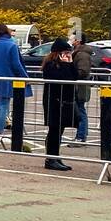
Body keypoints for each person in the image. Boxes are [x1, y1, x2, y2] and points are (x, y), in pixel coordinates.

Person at [0, 23, 30, 140]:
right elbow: (16, 64)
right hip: (5, 78)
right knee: (3, 106)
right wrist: (25, 77)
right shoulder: (11, 45)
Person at [41, 38, 78, 171]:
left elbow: (75, 76)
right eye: (66, 52)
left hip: (64, 101)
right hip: (54, 100)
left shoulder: (66, 63)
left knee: (59, 130)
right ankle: (51, 158)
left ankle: (55, 156)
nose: (68, 55)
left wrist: (70, 63)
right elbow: (61, 78)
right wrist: (65, 64)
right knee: (54, 129)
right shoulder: (51, 64)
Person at [71, 32, 93, 146]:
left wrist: (70, 74)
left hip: (80, 87)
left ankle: (81, 136)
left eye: (72, 38)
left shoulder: (82, 54)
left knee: (80, 111)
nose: (70, 39)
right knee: (79, 110)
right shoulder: (78, 53)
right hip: (79, 86)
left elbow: (83, 72)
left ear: (78, 41)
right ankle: (81, 135)